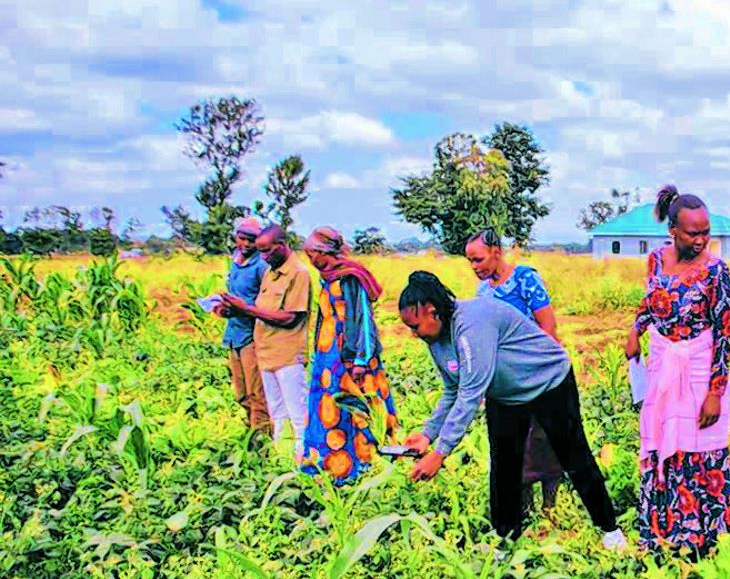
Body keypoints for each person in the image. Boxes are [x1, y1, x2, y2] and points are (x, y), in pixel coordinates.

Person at [398, 271, 626, 549]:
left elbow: (470, 393)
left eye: (416, 326)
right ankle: (505, 542)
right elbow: (452, 390)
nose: (414, 334)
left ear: (432, 312)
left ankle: (610, 529)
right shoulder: (436, 340)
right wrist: (426, 435)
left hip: (548, 382)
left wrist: (440, 453)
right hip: (506, 395)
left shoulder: (471, 325)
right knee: (504, 467)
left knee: (574, 456)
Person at [624, 185, 730, 558]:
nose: (702, 240)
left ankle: (702, 534)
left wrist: (714, 392)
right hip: (662, 363)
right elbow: (650, 302)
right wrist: (635, 330)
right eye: (693, 232)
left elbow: (724, 334)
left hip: (698, 367)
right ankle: (664, 529)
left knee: (699, 446)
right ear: (672, 229)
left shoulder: (716, 272)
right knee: (664, 441)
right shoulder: (656, 260)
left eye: (706, 231)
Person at [465, 227, 564, 514]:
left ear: (496, 252)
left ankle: (550, 507)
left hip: (537, 374)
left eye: (479, 260)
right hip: (504, 382)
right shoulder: (483, 292)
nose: (474, 267)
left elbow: (548, 328)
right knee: (514, 446)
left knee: (543, 441)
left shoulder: (525, 280)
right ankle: (523, 509)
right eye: (470, 261)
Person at [299, 226, 399, 484]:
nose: (310, 259)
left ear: (324, 253)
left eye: (312, 253)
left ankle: (366, 463)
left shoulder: (351, 278)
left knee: (360, 407)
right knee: (333, 408)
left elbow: (363, 319)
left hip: (351, 354)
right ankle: (334, 464)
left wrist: (360, 359)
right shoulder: (327, 277)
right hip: (328, 355)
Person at [221, 224, 311, 459]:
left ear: (281, 246)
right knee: (277, 412)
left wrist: (248, 310)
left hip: (287, 353)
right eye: (261, 252)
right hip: (266, 352)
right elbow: (263, 308)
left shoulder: (298, 273)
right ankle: (282, 460)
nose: (263, 257)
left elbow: (291, 317)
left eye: (267, 251)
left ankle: (304, 463)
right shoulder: (271, 270)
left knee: (297, 414)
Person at [216, 217, 269, 436]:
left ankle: (263, 439)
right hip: (234, 333)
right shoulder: (235, 261)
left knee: (257, 391)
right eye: (242, 239)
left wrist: (244, 308)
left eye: (252, 240)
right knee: (241, 392)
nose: (246, 244)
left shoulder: (262, 266)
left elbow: (267, 303)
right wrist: (223, 307)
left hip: (252, 335)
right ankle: (250, 432)